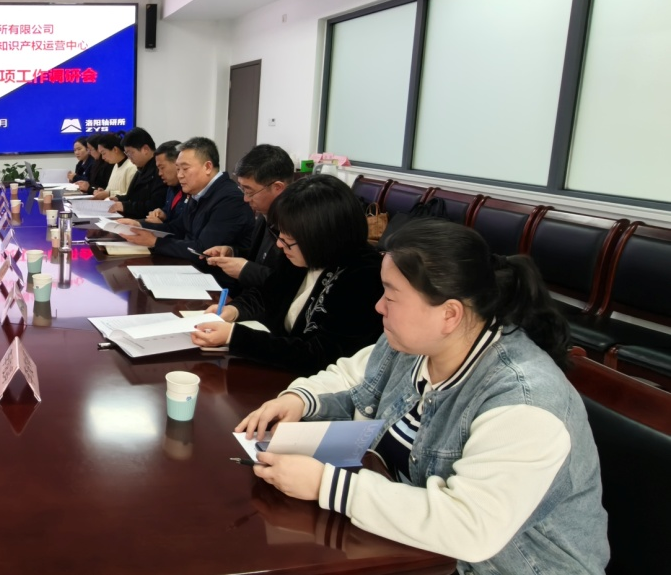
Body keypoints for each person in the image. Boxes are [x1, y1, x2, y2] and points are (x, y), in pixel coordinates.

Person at [235, 220, 608, 573]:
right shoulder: (417, 342)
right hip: (410, 549)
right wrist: (299, 399)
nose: (379, 306)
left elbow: (471, 527)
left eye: (391, 295)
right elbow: (354, 377)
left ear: (449, 314)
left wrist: (326, 485)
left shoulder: (525, 402)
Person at [189, 175, 384, 373]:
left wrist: (235, 336)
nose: (279, 244)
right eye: (280, 234)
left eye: (288, 239)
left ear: (322, 237)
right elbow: (267, 293)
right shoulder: (301, 253)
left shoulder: (364, 276)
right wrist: (233, 310)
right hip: (277, 367)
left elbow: (321, 356)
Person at [118, 137, 252, 259]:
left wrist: (155, 242)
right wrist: (139, 225)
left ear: (207, 167)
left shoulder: (230, 199)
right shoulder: (198, 192)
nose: (180, 175)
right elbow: (178, 228)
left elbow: (203, 250)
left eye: (185, 169)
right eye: (178, 169)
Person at [203, 144, 295, 290]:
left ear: (277, 188)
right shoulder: (264, 215)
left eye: (249, 191)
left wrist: (246, 270)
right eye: (243, 189)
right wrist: (232, 252)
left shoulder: (296, 225)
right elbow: (259, 258)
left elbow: (289, 285)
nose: (245, 199)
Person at [110, 128, 167, 219]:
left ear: (145, 149)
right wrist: (118, 199)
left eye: (130, 153)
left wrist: (125, 206)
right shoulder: (142, 168)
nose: (129, 158)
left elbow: (155, 205)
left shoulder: (159, 171)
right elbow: (132, 197)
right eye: (127, 154)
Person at [144, 140, 184, 225]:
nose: (159, 173)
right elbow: (169, 214)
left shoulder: (191, 190)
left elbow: (182, 229)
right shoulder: (171, 187)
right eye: (158, 169)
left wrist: (162, 226)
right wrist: (163, 214)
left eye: (162, 167)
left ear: (177, 163)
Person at [91, 133, 135, 199]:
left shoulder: (131, 166)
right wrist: (103, 192)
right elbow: (112, 189)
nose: (102, 157)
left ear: (115, 149)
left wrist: (109, 193)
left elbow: (130, 195)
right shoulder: (116, 165)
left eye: (103, 153)